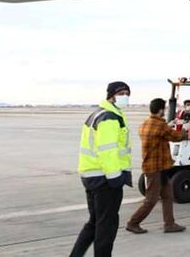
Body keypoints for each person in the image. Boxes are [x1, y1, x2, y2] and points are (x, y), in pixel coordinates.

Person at [70, 82, 133, 257]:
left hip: (92, 176)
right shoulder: (109, 117)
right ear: (111, 95)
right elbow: (108, 151)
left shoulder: (99, 113)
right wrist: (115, 178)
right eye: (121, 93)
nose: (125, 96)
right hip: (105, 179)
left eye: (127, 93)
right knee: (107, 225)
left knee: (95, 222)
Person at [126, 98, 186, 235]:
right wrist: (184, 131)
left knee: (168, 195)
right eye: (163, 109)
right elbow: (176, 137)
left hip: (159, 166)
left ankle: (169, 224)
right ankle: (133, 223)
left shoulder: (145, 124)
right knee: (151, 199)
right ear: (160, 110)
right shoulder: (160, 125)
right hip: (155, 168)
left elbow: (161, 137)